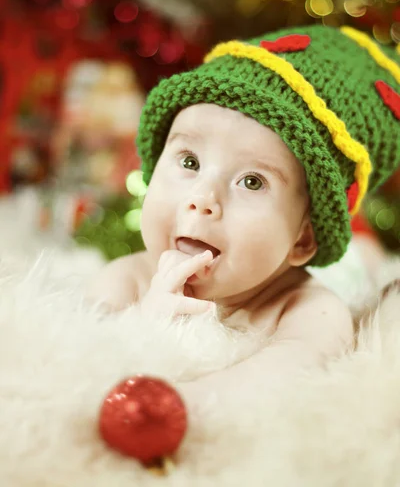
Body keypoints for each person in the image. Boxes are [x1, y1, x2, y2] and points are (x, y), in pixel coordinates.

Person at [86, 25, 400, 395]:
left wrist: (185, 401)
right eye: (189, 162)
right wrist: (145, 326)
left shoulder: (310, 310)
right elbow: (86, 359)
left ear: (303, 238)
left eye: (252, 181)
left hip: (345, 271)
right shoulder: (128, 278)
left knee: (369, 270)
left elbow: (278, 382)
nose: (202, 198)